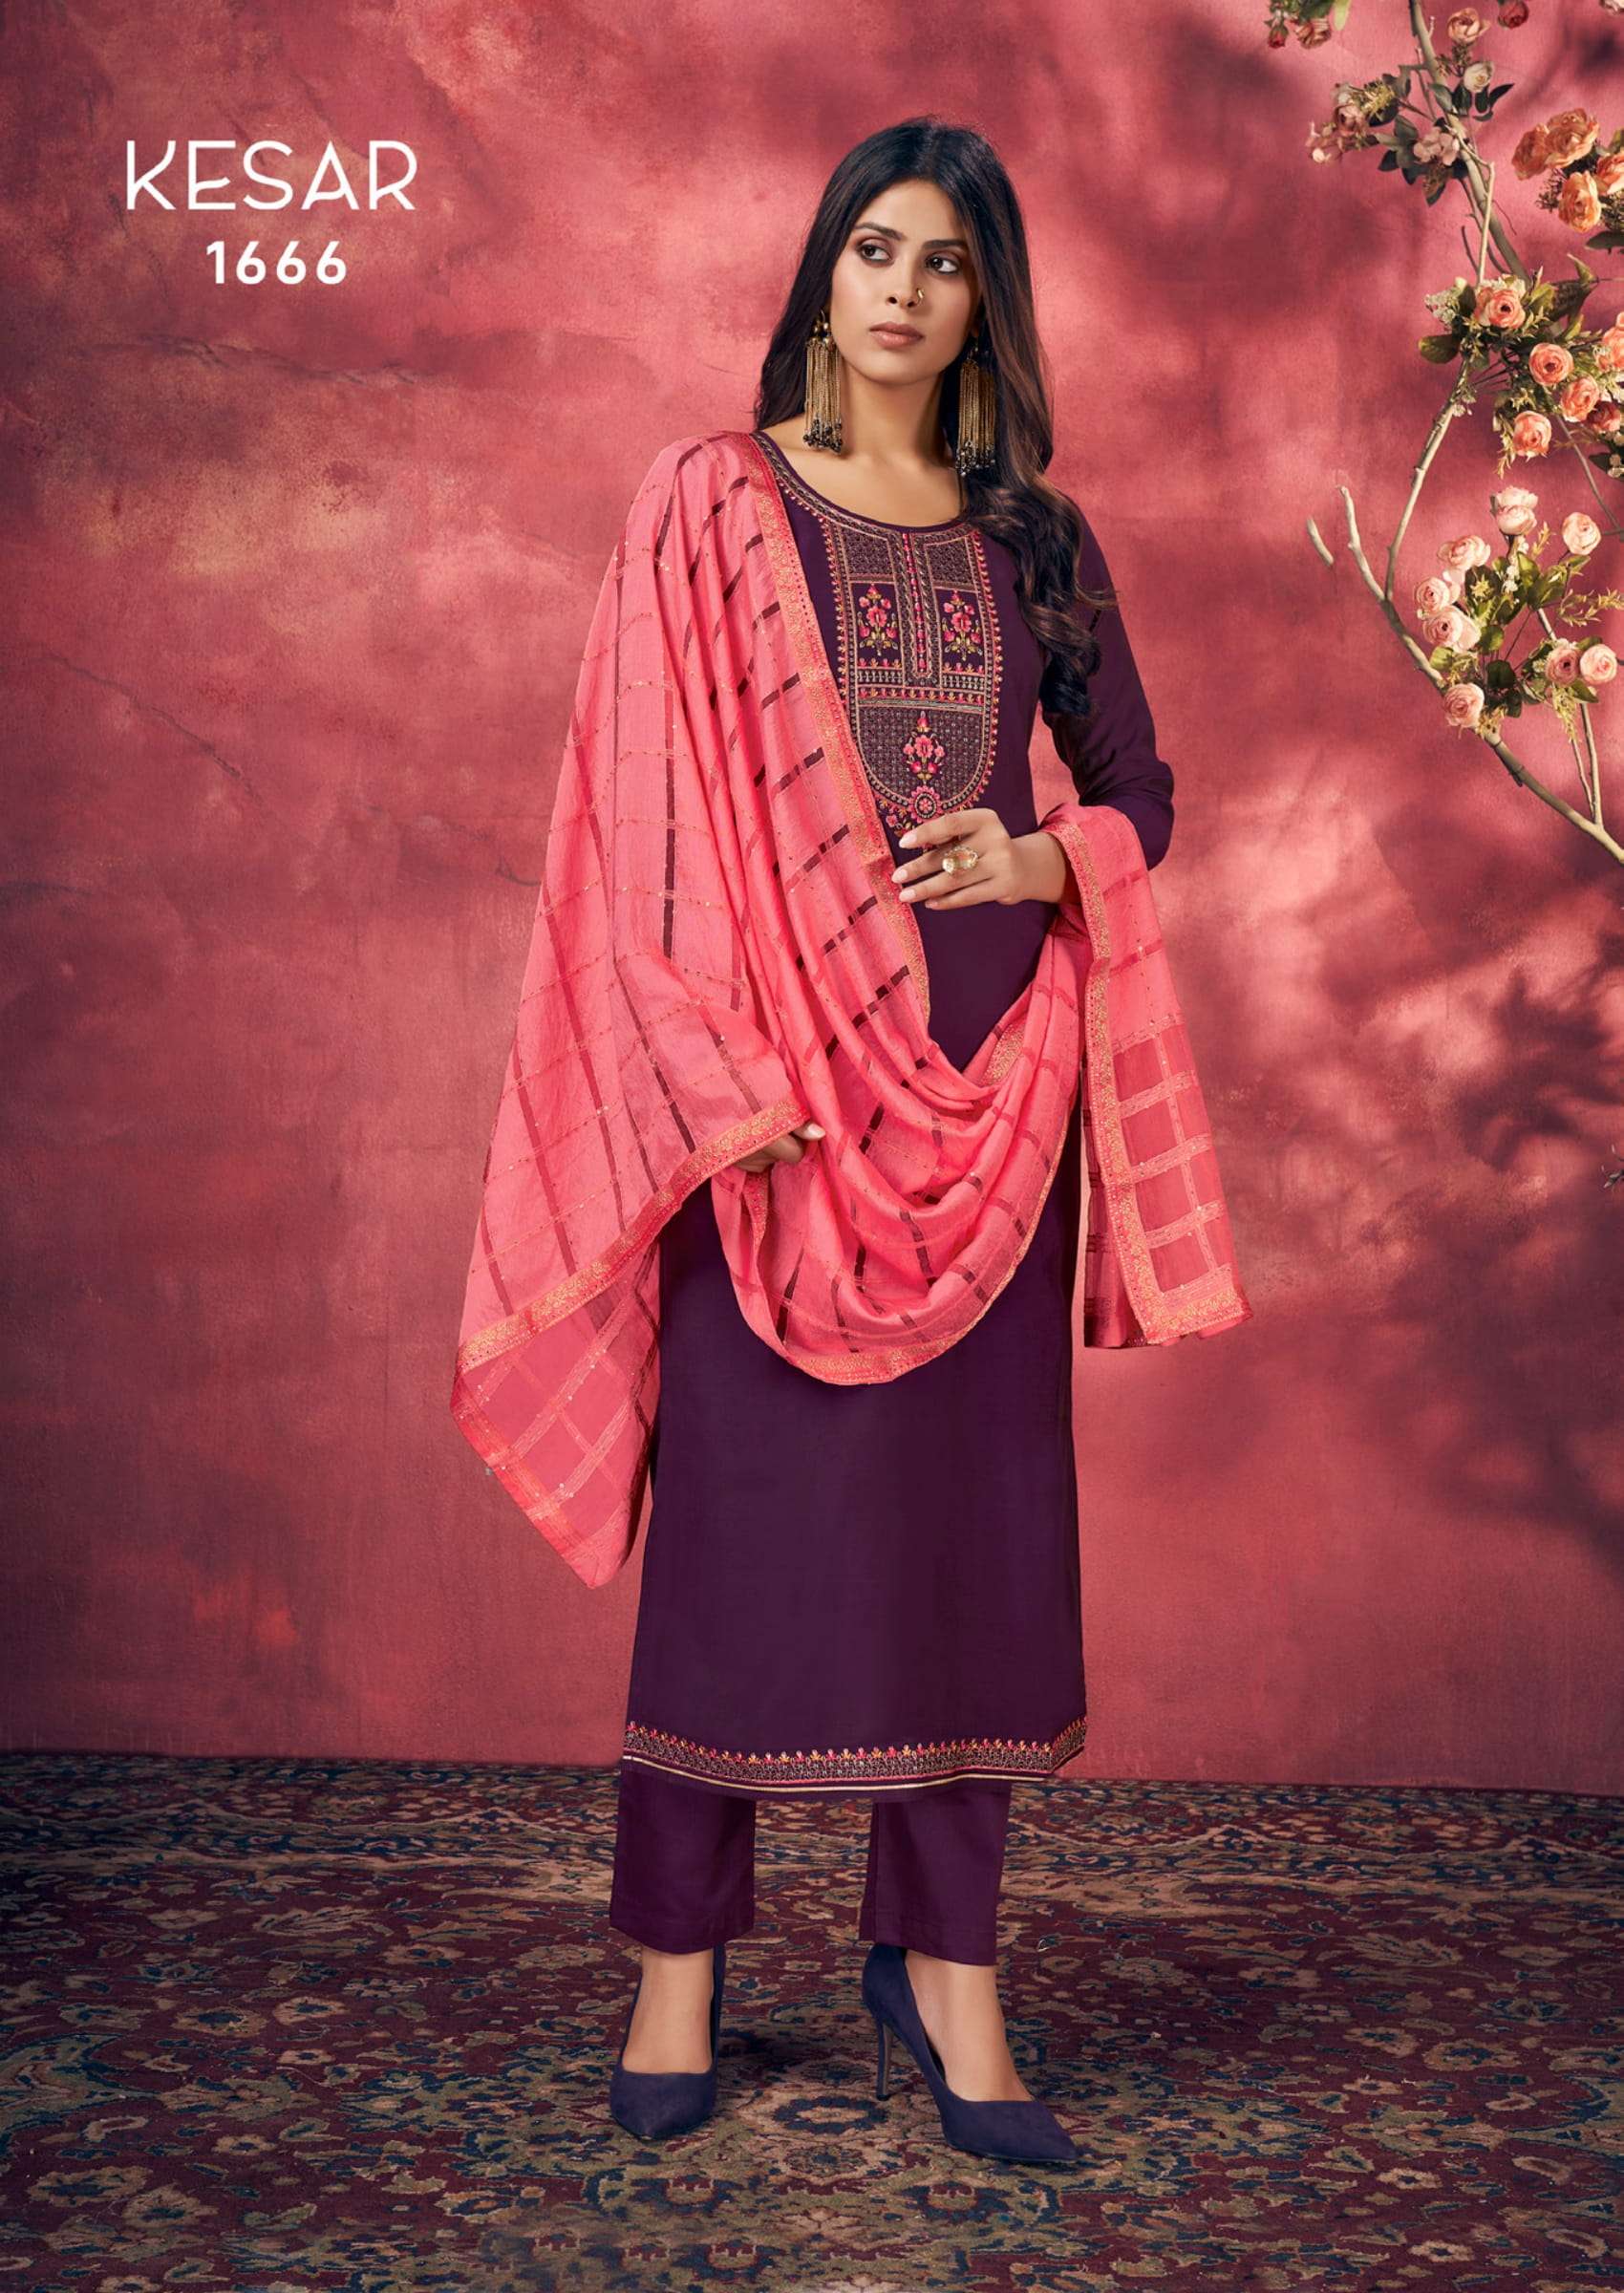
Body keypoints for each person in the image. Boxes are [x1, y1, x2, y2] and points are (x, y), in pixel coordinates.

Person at [451, 117, 1251, 2166]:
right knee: (739, 1547)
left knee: (970, 1557)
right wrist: (729, 1076)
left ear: (989, 303)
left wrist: (1044, 856)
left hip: (994, 1105)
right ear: (824, 270)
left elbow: (1142, 792)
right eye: (875, 250)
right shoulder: (712, 507)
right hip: (774, 1108)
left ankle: (947, 1978)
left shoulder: (1035, 539)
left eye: (945, 263)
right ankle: (678, 1971)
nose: (902, 291)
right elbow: (641, 826)